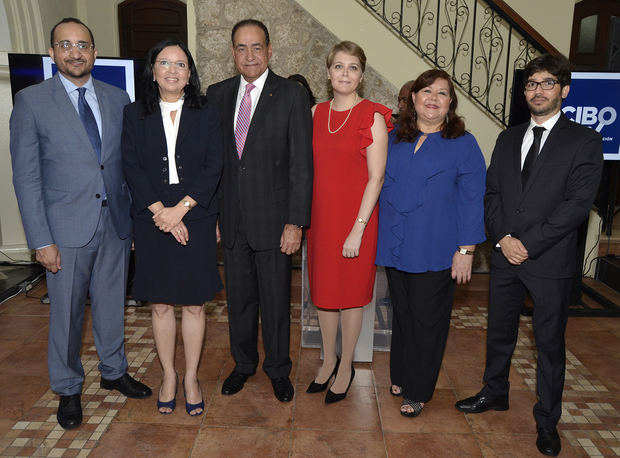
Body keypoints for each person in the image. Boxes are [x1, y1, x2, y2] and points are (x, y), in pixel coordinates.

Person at [455, 54, 603, 457]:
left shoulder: (584, 141)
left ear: (564, 90)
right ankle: (494, 392)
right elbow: (492, 195)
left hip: (549, 260)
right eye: (531, 84)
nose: (538, 90)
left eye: (547, 83)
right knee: (499, 332)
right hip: (505, 255)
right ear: (525, 93)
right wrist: (503, 239)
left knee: (549, 344)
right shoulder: (508, 137)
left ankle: (547, 420)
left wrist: (530, 243)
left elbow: (576, 205)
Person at [9, 17, 152, 430]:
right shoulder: (32, 102)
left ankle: (113, 371)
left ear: (94, 51)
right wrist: (41, 239)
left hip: (114, 224)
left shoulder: (116, 96)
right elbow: (27, 177)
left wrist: (134, 223)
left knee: (111, 305)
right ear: (52, 53)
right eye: (65, 45)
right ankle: (68, 388)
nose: (75, 52)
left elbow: (124, 164)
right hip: (64, 230)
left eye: (83, 45)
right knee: (67, 314)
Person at [205, 19, 313, 403]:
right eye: (240, 48)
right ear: (232, 53)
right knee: (239, 301)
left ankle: (279, 369)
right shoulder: (216, 94)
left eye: (256, 47)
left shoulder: (291, 95)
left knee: (275, 302)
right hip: (232, 221)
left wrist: (296, 222)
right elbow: (214, 162)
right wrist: (213, 214)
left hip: (275, 222)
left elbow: (302, 165)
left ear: (269, 50)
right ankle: (244, 364)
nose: (249, 55)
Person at [376, 69, 486, 417]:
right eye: (427, 91)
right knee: (404, 316)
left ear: (450, 103)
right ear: (413, 98)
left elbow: (473, 199)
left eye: (442, 93)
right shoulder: (394, 138)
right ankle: (401, 374)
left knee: (428, 321)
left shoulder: (464, 144)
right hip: (396, 245)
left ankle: (419, 389)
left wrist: (466, 250)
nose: (433, 98)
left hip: (436, 248)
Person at [122, 39, 223, 416]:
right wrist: (161, 213)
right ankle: (168, 375)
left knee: (195, 305)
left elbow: (214, 165)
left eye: (181, 64)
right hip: (151, 217)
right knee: (161, 303)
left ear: (190, 73)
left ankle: (192, 376)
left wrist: (179, 211)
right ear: (152, 70)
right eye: (164, 62)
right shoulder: (135, 114)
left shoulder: (208, 112)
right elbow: (130, 166)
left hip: (195, 213)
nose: (172, 70)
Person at [305, 41, 391, 404]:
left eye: (352, 67)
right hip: (320, 218)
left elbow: (377, 178)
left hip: (358, 220)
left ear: (361, 74)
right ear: (328, 73)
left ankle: (346, 367)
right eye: (338, 66)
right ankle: (327, 361)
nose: (344, 73)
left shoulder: (372, 116)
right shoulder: (314, 113)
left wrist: (357, 228)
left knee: (351, 297)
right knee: (324, 294)